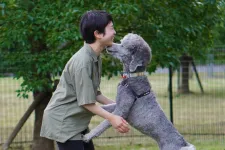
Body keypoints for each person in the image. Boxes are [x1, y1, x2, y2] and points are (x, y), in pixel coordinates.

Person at [40, 10, 129, 150]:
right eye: (111, 28)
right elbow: (87, 103)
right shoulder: (83, 62)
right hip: (64, 122)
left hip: (77, 122)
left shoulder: (95, 56)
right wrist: (112, 118)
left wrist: (117, 106)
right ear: (98, 34)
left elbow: (95, 94)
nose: (115, 32)